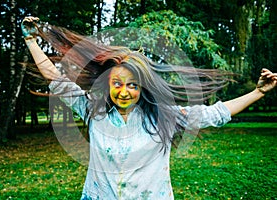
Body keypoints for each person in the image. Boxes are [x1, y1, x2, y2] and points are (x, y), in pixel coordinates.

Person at [21, 16, 276, 199]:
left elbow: (215, 114)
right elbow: (56, 80)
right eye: (117, 83)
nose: (124, 91)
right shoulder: (92, 110)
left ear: (143, 87)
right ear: (107, 84)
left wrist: (257, 92)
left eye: (132, 85)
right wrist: (32, 41)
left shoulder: (164, 117)